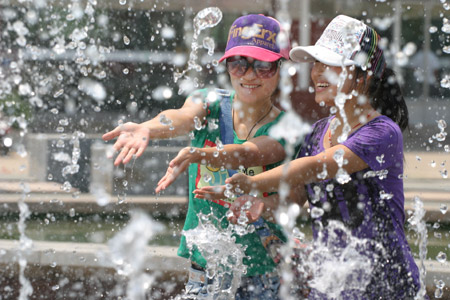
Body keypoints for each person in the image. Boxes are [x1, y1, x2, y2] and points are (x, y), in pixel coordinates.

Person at [103, 14, 301, 299]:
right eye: (239, 63)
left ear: (280, 68)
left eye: (262, 66)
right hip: (206, 265)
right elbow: (181, 117)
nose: (248, 74)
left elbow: (252, 152)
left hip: (264, 270)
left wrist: (202, 154)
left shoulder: (285, 129)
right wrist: (147, 128)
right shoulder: (210, 103)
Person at [225, 15, 421, 299]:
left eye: (331, 65)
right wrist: (260, 206)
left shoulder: (382, 132)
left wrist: (252, 182)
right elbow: (294, 198)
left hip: (387, 287)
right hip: (333, 285)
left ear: (363, 77)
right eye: (317, 63)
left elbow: (320, 166)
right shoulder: (318, 132)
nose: (317, 73)